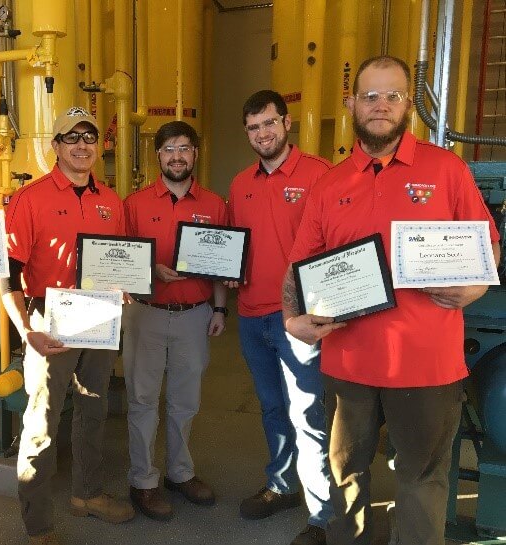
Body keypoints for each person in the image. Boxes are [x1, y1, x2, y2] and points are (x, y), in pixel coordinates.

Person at [282, 56, 501, 545]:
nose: (380, 105)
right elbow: (301, 262)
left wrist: (478, 285)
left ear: (408, 105)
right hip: (348, 362)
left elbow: (487, 244)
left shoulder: (446, 169)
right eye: (370, 96)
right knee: (346, 475)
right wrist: (292, 317)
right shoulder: (330, 184)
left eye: (393, 95)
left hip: (427, 365)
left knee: (422, 480)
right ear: (351, 104)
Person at [2, 107, 134, 545]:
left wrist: (125, 285)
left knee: (93, 408)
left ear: (99, 146)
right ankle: (38, 524)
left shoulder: (110, 201)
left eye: (89, 137)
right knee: (42, 422)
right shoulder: (30, 199)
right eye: (71, 137)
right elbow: (8, 273)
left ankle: (87, 494)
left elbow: (118, 260)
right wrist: (27, 331)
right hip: (50, 317)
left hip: (99, 314)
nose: (81, 145)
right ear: (55, 146)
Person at [227, 90, 333, 545]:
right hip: (252, 315)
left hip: (299, 320)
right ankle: (283, 484)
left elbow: (335, 244)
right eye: (253, 127)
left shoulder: (320, 174)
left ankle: (324, 514)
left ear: (287, 123)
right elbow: (236, 245)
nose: (262, 133)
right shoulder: (240, 184)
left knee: (308, 414)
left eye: (269, 123)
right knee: (272, 408)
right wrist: (227, 272)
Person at [122, 121, 227, 521]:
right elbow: (121, 257)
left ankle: (180, 473)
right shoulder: (134, 204)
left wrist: (220, 309)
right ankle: (143, 480)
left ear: (195, 154)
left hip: (194, 316)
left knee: (186, 401)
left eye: (184, 148)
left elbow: (222, 265)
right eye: (169, 149)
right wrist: (151, 268)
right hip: (145, 314)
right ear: (158, 156)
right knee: (142, 400)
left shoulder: (215, 205)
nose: (177, 156)